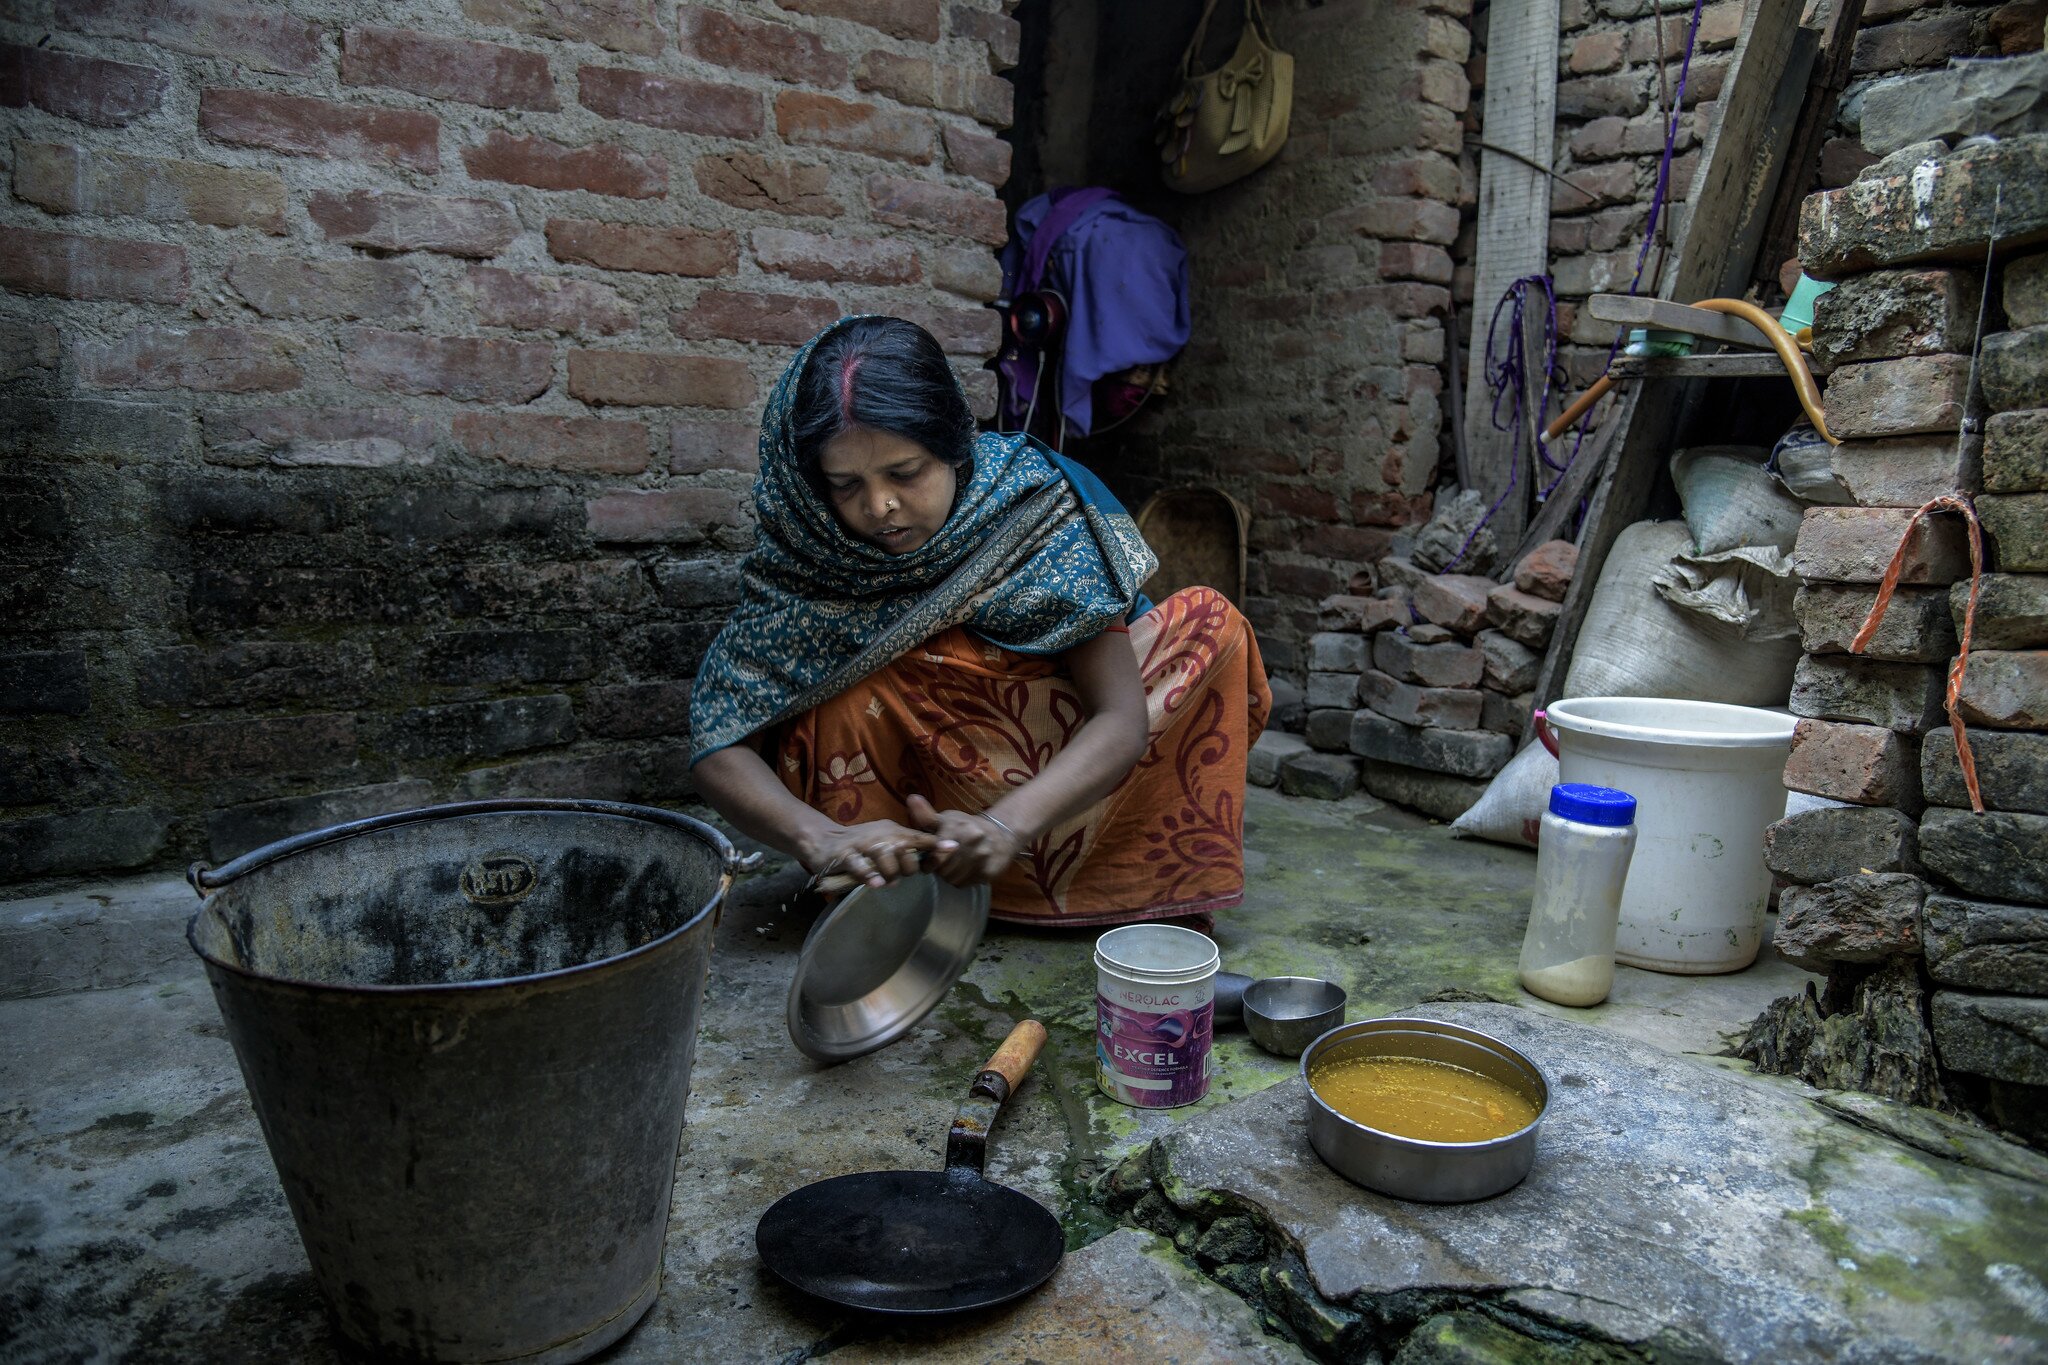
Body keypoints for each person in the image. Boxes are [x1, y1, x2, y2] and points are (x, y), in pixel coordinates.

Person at [688, 316, 1270, 928]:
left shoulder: (1031, 507)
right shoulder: (810, 548)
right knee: (842, 692)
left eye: (906, 473)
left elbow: (1121, 720)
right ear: (813, 485)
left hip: (1050, 802)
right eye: (845, 485)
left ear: (955, 446)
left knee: (1213, 625)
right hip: (908, 840)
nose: (880, 505)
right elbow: (718, 742)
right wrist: (816, 838)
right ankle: (894, 896)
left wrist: (1005, 824)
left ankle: (1106, 888)